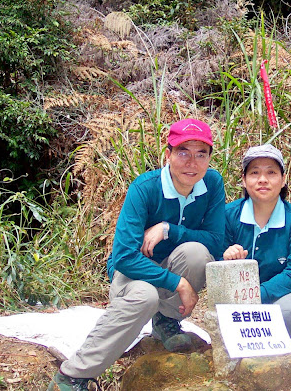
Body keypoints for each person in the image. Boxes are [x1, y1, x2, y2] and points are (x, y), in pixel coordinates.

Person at [49, 118, 225, 390]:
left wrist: (168, 229)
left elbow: (215, 241)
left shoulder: (211, 184)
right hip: (133, 272)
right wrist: (177, 283)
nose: (192, 163)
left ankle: (166, 321)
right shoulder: (145, 189)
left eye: (201, 154)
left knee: (197, 254)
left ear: (209, 159)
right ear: (167, 155)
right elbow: (124, 258)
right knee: (145, 295)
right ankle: (72, 376)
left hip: (170, 261)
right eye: (183, 152)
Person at [223, 144, 291, 351]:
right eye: (254, 173)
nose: (262, 179)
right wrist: (226, 259)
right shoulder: (228, 215)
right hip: (238, 291)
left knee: (289, 311)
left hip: (288, 289)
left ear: (283, 180)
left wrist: (257, 296)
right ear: (244, 181)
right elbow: (215, 261)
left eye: (271, 173)